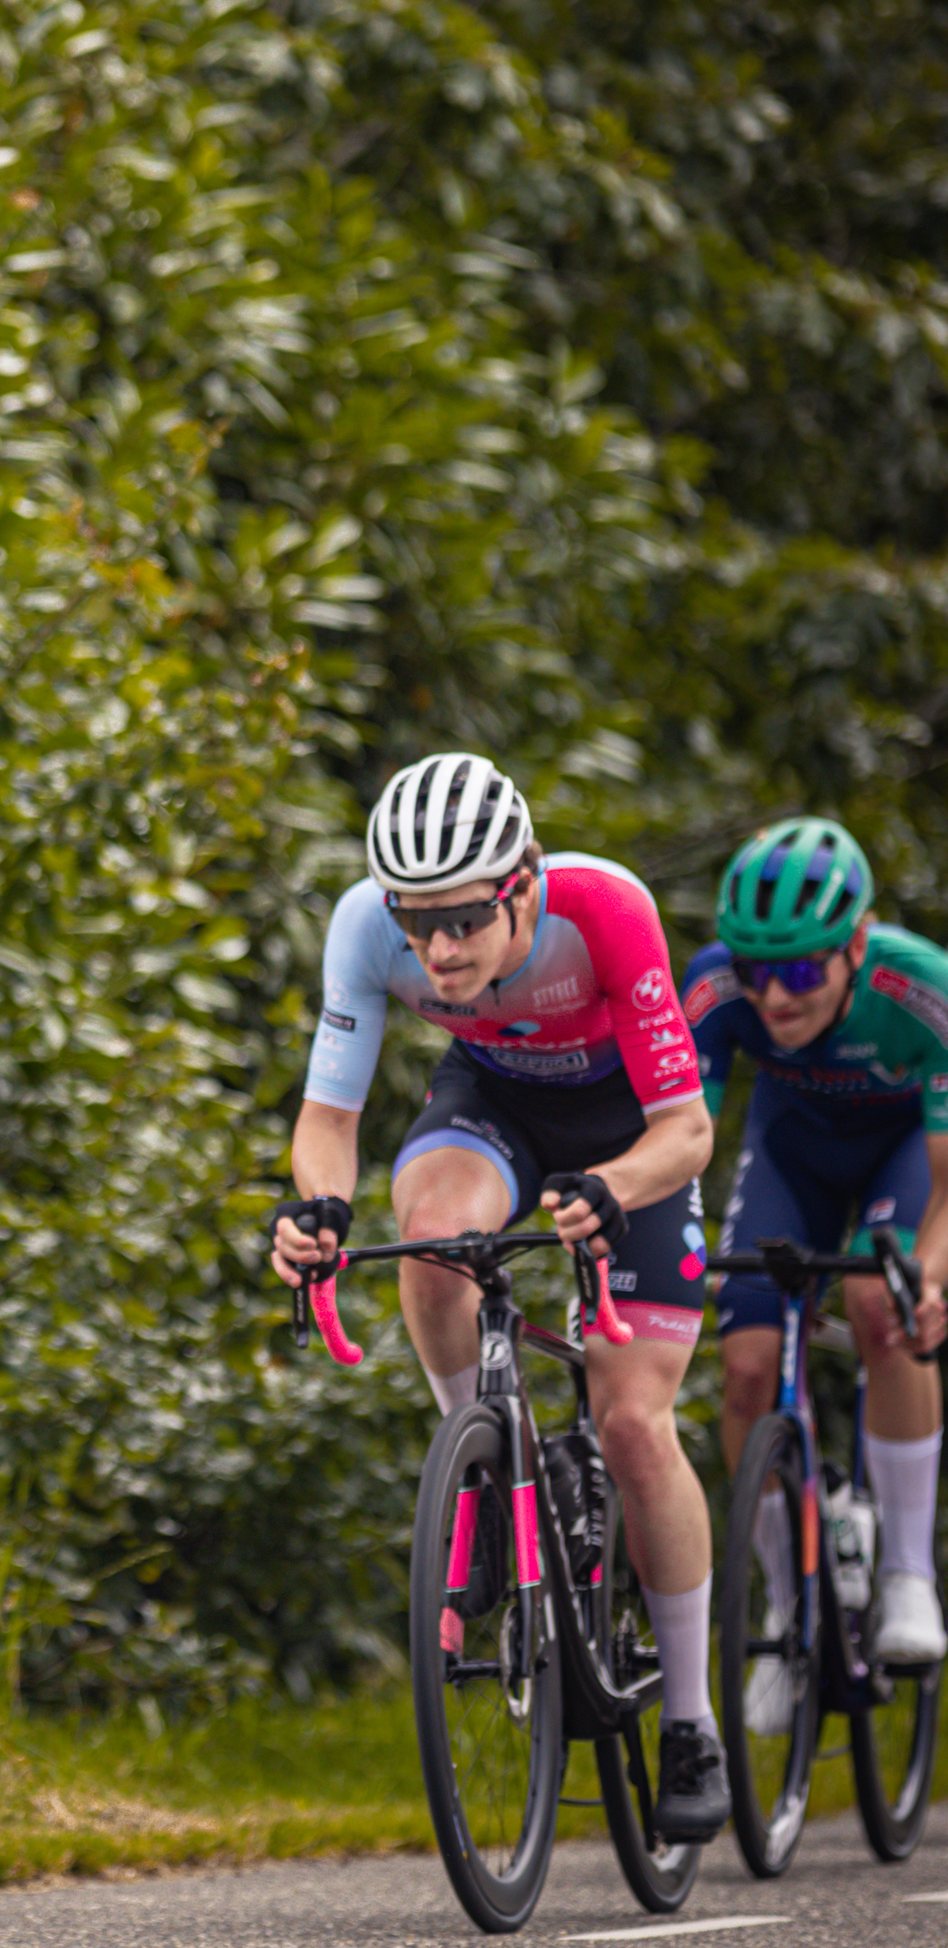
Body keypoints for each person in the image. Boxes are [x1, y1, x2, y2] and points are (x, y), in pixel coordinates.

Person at [270, 749, 728, 1839]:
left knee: (629, 1421)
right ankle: (478, 1463)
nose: (436, 948)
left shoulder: (604, 911)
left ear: (521, 880)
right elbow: (327, 1123)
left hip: (627, 1136)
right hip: (493, 1105)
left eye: (465, 918)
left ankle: (691, 1722)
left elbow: (688, 1129)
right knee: (428, 1239)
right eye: (415, 920)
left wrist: (613, 1189)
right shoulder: (359, 927)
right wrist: (317, 1214)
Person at [681, 817, 948, 1690]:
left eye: (800, 970)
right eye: (756, 972)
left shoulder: (921, 990)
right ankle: (784, 1609)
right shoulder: (715, 991)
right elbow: (677, 1138)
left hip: (905, 1156)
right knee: (749, 1367)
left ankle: (909, 1573)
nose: (775, 998)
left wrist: (931, 1276)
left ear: (858, 944)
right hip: (793, 1152)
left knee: (883, 1307)